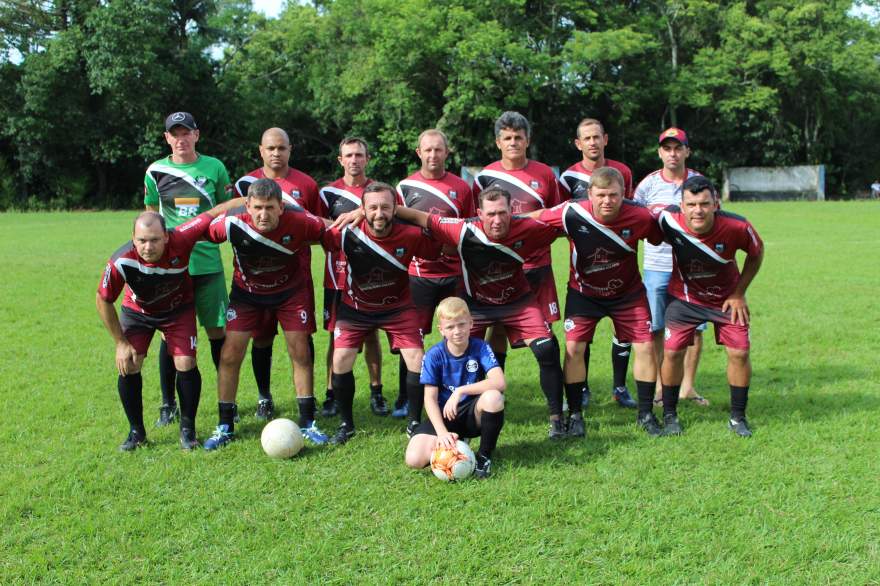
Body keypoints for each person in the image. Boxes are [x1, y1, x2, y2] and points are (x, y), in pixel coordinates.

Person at [395, 187, 569, 439]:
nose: (497, 220)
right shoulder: (463, 229)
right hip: (476, 305)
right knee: (455, 352)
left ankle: (557, 418)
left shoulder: (529, 227)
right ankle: (457, 416)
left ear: (512, 212)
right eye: (491, 214)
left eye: (502, 213)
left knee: (547, 348)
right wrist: (372, 209)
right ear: (479, 213)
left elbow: (564, 216)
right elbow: (421, 218)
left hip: (518, 301)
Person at [200, 179, 330, 450]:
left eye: (270, 207)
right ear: (247, 205)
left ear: (281, 207)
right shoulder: (230, 222)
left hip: (291, 294)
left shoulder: (302, 220)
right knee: (229, 354)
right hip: (246, 295)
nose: (263, 214)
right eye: (257, 207)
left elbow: (331, 232)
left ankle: (307, 422)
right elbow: (195, 234)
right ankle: (225, 425)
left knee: (301, 352)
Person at [534, 167, 665, 436]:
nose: (608, 201)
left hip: (628, 295)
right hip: (584, 294)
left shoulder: (640, 215)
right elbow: (533, 219)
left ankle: (646, 414)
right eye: (601, 195)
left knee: (645, 346)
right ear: (590, 194)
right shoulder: (571, 211)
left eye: (614, 195)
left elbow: (662, 234)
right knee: (574, 349)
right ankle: (575, 416)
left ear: (623, 194)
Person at [96, 202, 237, 451]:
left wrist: (248, 200)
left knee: (186, 363)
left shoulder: (183, 237)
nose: (148, 247)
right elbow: (103, 300)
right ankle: (136, 432)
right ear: (133, 239)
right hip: (139, 312)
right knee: (129, 365)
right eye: (141, 240)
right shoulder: (121, 260)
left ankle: (187, 429)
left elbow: (214, 212)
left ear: (167, 236)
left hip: (178, 310)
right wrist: (120, 343)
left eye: (154, 240)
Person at [322, 183, 442, 444]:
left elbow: (437, 247)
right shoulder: (346, 232)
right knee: (340, 358)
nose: (379, 213)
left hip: (399, 307)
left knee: (416, 358)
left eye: (386, 207)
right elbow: (313, 231)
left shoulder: (410, 235)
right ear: (362, 209)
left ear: (395, 209)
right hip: (355, 308)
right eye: (373, 207)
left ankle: (413, 422)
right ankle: (346, 425)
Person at [657, 176, 764, 436]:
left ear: (716, 203)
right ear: (681, 206)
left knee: (739, 353)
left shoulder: (737, 226)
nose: (698, 210)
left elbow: (756, 253)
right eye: (691, 204)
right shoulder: (666, 220)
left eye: (704, 203)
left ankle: (738, 417)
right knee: (671, 352)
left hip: (726, 300)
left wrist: (739, 293)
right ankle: (670, 415)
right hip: (683, 299)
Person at [144, 112, 231, 427]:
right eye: (174, 134)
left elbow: (227, 208)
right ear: (167, 138)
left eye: (186, 133)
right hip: (172, 270)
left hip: (208, 263)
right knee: (170, 338)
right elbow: (151, 216)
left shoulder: (215, 167)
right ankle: (168, 405)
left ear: (197, 135)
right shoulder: (155, 171)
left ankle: (227, 399)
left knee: (218, 332)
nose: (181, 139)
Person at [233, 127, 322, 420]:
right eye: (270, 148)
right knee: (261, 339)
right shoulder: (246, 183)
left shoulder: (306, 184)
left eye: (281, 148)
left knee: (301, 339)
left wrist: (289, 240)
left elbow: (316, 226)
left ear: (290, 150)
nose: (276, 153)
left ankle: (308, 401)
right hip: (255, 281)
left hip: (296, 279)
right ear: (261, 150)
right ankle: (264, 396)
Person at [391, 129, 474, 418]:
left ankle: (457, 393)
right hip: (418, 275)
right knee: (411, 340)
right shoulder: (404, 187)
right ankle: (405, 397)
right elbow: (398, 228)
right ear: (418, 152)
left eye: (438, 150)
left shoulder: (462, 188)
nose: (433, 155)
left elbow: (468, 229)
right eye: (427, 150)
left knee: (457, 335)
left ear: (447, 152)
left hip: (453, 275)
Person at [472, 111, 564, 370]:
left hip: (538, 265)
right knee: (499, 327)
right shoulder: (484, 178)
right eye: (507, 138)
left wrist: (535, 240)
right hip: (499, 268)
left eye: (518, 137)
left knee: (544, 328)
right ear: (498, 143)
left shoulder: (545, 174)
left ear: (528, 140)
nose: (513, 142)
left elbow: (557, 217)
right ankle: (494, 383)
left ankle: (558, 392)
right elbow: (475, 223)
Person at [559, 118, 637, 409]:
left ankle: (620, 387)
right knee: (581, 336)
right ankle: (583, 388)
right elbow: (561, 218)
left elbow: (629, 211)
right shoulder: (567, 178)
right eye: (586, 138)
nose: (592, 142)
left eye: (596, 137)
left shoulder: (623, 172)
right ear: (579, 144)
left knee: (624, 331)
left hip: (621, 262)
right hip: (584, 267)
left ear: (606, 139)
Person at [634, 127, 707, 406]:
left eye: (678, 148)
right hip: (656, 267)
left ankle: (688, 386)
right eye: (667, 148)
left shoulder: (700, 182)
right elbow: (632, 219)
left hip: (693, 269)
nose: (673, 153)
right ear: (660, 152)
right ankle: (660, 388)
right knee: (656, 328)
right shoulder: (648, 185)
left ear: (687, 151)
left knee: (695, 329)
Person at [318, 137, 388, 418]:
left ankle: (376, 392)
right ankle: (331, 393)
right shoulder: (327, 194)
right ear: (340, 160)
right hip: (335, 276)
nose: (354, 160)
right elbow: (317, 229)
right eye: (349, 155)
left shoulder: (379, 192)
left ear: (367, 158)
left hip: (369, 275)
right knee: (336, 338)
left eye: (359, 154)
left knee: (371, 335)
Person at [404, 297, 506, 478]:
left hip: (471, 414)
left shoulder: (480, 347)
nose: (457, 331)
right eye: (450, 327)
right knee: (414, 459)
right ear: (441, 330)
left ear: (471, 324)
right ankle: (453, 443)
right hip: (445, 415)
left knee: (494, 397)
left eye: (461, 325)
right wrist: (442, 433)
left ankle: (484, 457)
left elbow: (499, 382)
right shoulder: (434, 355)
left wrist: (460, 391)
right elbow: (429, 399)